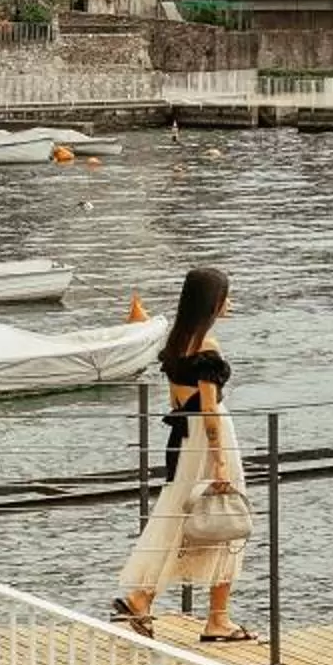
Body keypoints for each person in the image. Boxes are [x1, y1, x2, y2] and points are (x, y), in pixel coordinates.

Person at [113, 265, 255, 641]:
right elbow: (210, 410)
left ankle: (143, 596)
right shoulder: (208, 348)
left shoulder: (176, 344)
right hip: (210, 439)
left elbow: (180, 401)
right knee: (226, 520)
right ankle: (218, 619)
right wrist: (221, 460)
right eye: (226, 296)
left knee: (180, 517)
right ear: (213, 303)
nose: (230, 303)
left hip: (183, 438)